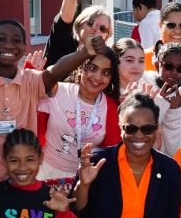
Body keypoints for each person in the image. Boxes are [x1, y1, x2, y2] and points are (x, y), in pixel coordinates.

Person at [0, 16, 90, 188]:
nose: (8, 45)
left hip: (15, 183)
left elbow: (54, 72)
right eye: (1, 39)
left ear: (24, 48)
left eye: (16, 41)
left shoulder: (31, 81)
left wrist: (85, 52)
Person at [37, 40, 121, 180]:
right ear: (81, 67)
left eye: (105, 73)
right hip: (44, 172)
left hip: (83, 179)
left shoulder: (112, 107)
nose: (97, 77)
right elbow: (26, 97)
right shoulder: (57, 90)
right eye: (92, 68)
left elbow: (112, 153)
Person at [42, 0, 112, 65]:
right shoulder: (65, 42)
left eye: (103, 28)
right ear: (79, 25)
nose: (96, 29)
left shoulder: (106, 61)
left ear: (107, 36)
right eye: (90, 23)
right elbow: (65, 18)